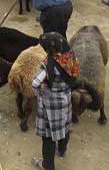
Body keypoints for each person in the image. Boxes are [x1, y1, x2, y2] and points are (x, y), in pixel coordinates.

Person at [30, 32, 78, 169]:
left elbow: (35, 83)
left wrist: (40, 93)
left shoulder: (48, 65)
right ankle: (62, 150)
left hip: (51, 104)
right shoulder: (71, 57)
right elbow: (75, 77)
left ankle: (47, 165)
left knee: (48, 136)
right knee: (65, 126)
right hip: (66, 98)